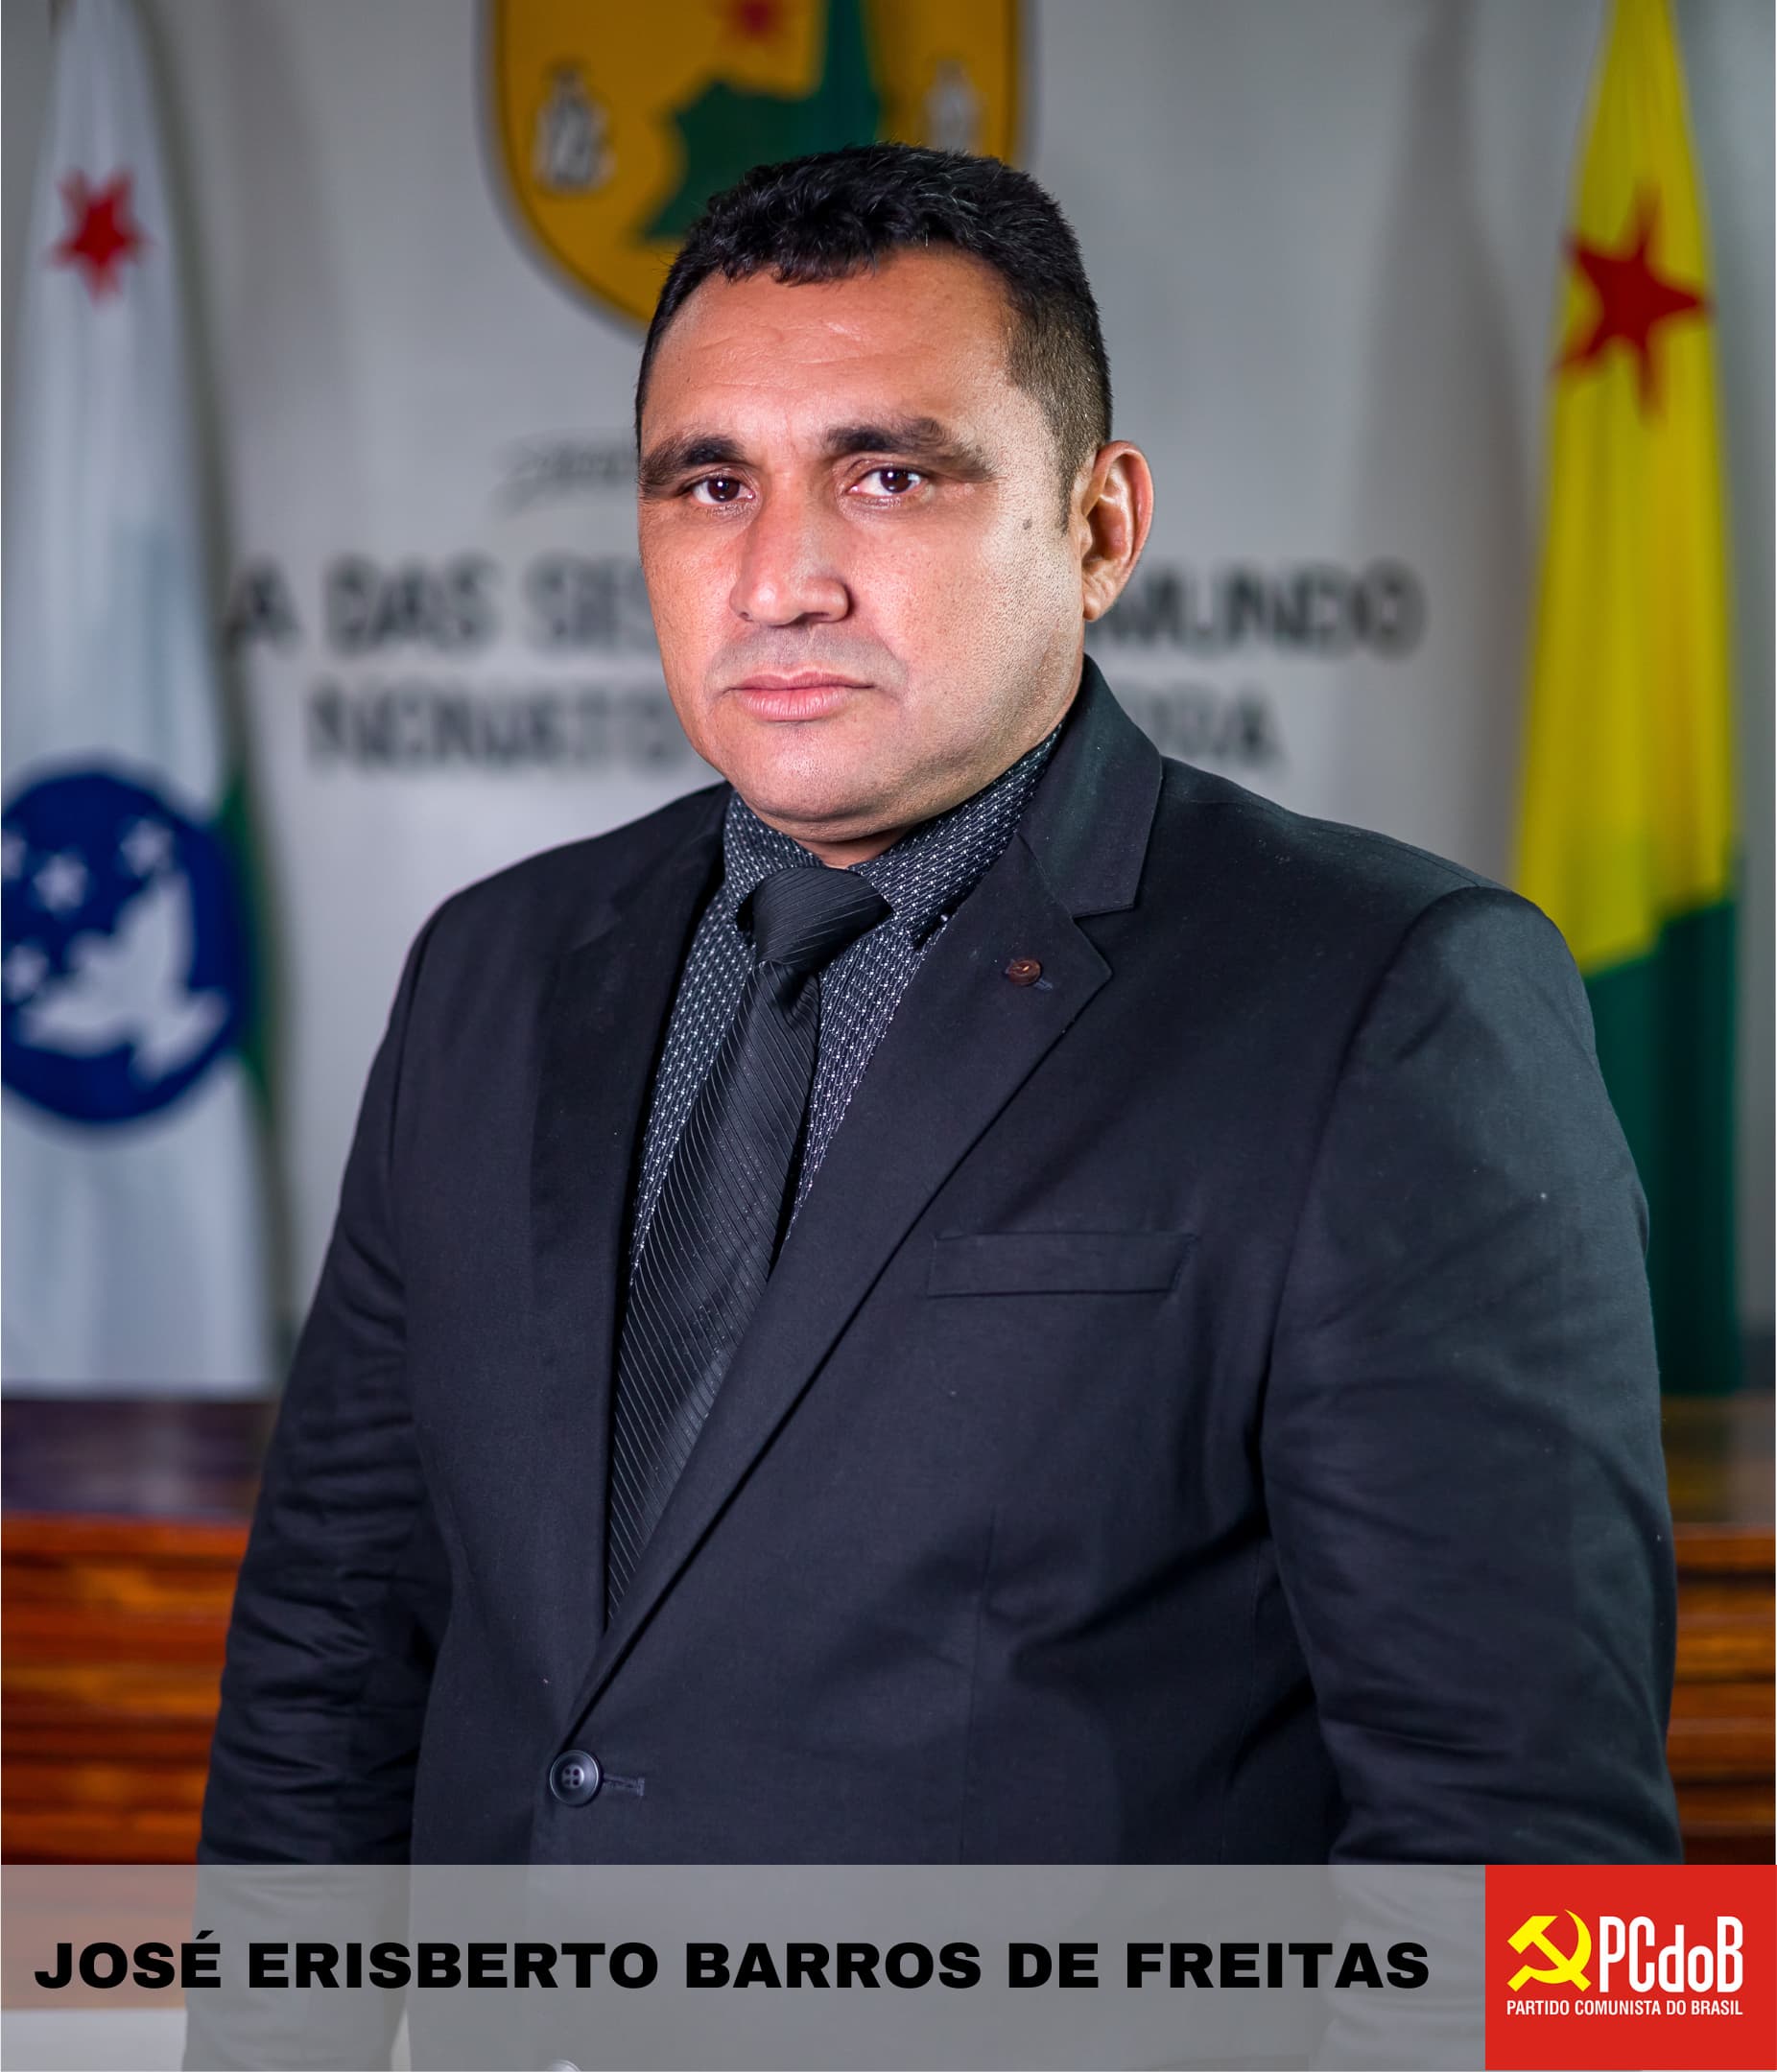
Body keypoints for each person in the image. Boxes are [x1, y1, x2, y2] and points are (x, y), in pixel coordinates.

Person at [200, 144, 1681, 1866]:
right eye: (709, 484)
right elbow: (330, 1659)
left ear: (1100, 526)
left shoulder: (1390, 1004)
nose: (781, 580)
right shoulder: (493, 970)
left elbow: (1520, 1841)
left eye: (890, 477)